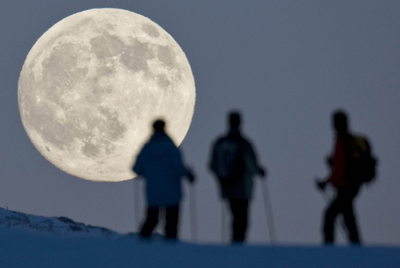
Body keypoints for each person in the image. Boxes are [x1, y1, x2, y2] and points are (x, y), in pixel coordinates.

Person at [132, 119, 195, 240]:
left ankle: (141, 245)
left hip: (153, 191)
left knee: (151, 220)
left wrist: (149, 172)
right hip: (172, 191)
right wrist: (189, 175)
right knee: (171, 224)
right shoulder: (170, 147)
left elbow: (136, 169)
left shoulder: (147, 148)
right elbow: (178, 167)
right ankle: (170, 250)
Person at [209, 111, 266, 243]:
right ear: (240, 122)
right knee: (242, 216)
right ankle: (238, 242)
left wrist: (222, 178)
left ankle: (235, 241)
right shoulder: (244, 143)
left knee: (234, 214)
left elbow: (212, 165)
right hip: (243, 187)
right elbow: (251, 164)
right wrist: (259, 171)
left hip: (227, 187)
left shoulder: (219, 143)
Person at [316, 110, 369, 245]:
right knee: (347, 216)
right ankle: (355, 246)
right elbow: (341, 165)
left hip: (345, 186)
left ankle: (332, 248)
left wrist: (325, 182)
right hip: (352, 185)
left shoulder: (342, 140)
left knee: (331, 216)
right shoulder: (347, 140)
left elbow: (340, 168)